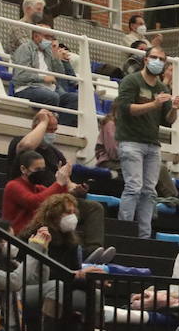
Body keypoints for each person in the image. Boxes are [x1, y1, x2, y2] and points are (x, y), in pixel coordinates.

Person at [7, 110, 108, 257]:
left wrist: (75, 189)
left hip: (55, 200)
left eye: (54, 130)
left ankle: (92, 252)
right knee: (61, 210)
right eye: (49, 129)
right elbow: (36, 201)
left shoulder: (55, 153)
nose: (52, 134)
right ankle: (75, 253)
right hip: (40, 203)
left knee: (93, 207)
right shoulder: (20, 145)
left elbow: (67, 183)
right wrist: (43, 122)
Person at [114, 43, 179, 239]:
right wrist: (154, 103)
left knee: (149, 191)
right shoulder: (131, 81)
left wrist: (175, 108)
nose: (158, 62)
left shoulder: (161, 87)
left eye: (162, 60)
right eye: (154, 58)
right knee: (133, 187)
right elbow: (125, 109)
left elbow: (167, 120)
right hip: (131, 141)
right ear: (145, 59)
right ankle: (124, 232)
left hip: (152, 144)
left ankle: (144, 235)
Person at [9, 23, 79, 117]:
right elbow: (20, 75)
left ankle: (60, 126)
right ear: (36, 36)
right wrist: (43, 78)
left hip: (51, 89)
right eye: (47, 36)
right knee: (52, 96)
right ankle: (48, 125)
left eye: (52, 37)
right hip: (28, 88)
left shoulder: (48, 52)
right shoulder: (25, 48)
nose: (50, 40)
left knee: (75, 99)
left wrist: (55, 55)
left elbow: (59, 75)